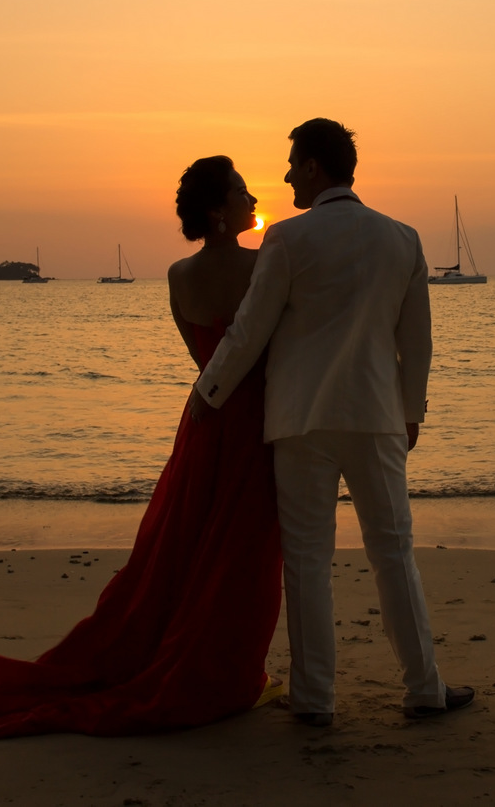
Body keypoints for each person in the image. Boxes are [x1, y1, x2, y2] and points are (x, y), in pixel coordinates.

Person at [0, 157, 283, 738]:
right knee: (240, 554)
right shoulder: (263, 266)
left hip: (205, 419)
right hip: (253, 423)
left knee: (186, 549)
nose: (252, 197)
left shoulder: (179, 275)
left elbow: (204, 361)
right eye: (241, 190)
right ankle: (225, 668)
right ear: (217, 211)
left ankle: (199, 655)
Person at [190, 117, 472, 726]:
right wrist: (412, 412)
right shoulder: (402, 239)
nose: (288, 175)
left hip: (301, 420)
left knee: (307, 562)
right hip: (377, 417)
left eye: (294, 164)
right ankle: (424, 688)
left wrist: (208, 391)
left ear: (315, 167)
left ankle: (316, 699)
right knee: (394, 553)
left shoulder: (287, 239)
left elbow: (251, 329)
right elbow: (416, 342)